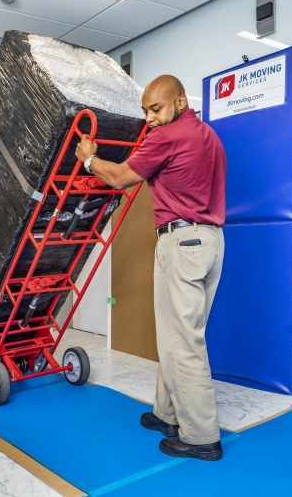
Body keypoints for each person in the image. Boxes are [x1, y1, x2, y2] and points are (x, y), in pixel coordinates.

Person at [75, 75, 226, 461]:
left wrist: (89, 158)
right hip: (211, 243)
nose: (149, 119)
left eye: (155, 109)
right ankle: (167, 414)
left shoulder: (166, 137)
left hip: (181, 243)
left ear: (180, 102)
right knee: (177, 336)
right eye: (145, 112)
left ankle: (200, 436)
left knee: (182, 344)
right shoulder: (208, 135)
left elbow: (122, 178)